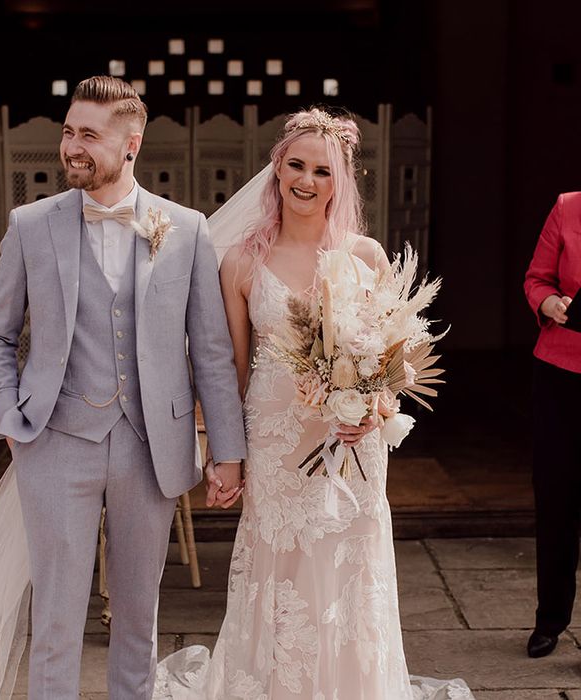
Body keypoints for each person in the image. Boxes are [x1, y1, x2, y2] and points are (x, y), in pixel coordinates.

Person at [0, 76, 246, 700]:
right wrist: (9, 417)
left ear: (131, 144)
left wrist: (228, 449)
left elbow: (213, 351)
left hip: (152, 448)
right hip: (55, 444)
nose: (72, 147)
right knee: (55, 619)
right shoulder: (31, 225)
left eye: (89, 135)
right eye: (67, 131)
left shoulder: (184, 229)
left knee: (140, 616)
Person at [154, 108, 474, 698]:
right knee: (283, 571)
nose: (306, 180)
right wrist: (223, 454)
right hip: (277, 445)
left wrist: (371, 411)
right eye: (295, 165)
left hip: (352, 444)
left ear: (340, 181)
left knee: (348, 573)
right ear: (276, 170)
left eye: (321, 171)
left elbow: (393, 361)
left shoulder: (367, 256)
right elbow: (227, 367)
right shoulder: (242, 262)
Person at [524, 192, 581, 659]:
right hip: (560, 373)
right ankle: (550, 619)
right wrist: (548, 305)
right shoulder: (568, 207)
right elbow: (537, 279)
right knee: (557, 499)